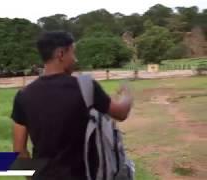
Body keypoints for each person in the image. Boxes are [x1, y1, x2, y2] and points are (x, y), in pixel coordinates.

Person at [11, 31, 133, 180]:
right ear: (61, 54)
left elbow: (19, 150)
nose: (75, 59)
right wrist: (127, 94)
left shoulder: (23, 96)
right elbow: (121, 113)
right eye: (73, 53)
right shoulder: (85, 87)